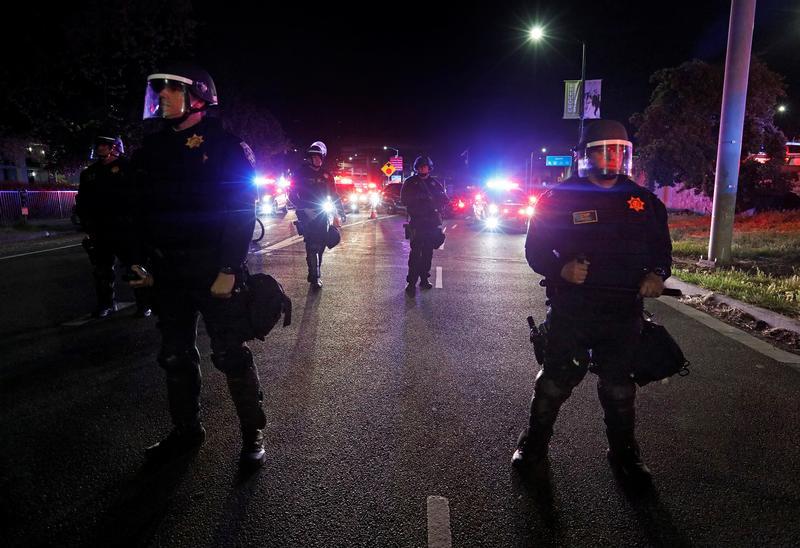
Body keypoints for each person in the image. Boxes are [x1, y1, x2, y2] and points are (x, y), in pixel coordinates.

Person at [512, 119, 672, 485]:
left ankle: (624, 455)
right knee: (554, 382)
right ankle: (533, 445)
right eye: (603, 149)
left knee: (619, 388)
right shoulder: (558, 197)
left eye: (619, 150)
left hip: (623, 311)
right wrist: (560, 269)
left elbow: (662, 250)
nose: (611, 157)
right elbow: (535, 250)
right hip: (573, 309)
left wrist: (656, 275)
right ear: (585, 154)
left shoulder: (644, 201)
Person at [129, 63, 268, 468]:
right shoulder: (152, 148)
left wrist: (229, 267)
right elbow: (138, 211)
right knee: (174, 356)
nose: (162, 97)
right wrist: (140, 261)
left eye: (172, 89)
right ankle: (186, 431)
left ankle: (252, 433)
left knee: (229, 353)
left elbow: (242, 209)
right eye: (160, 90)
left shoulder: (224, 145)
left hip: (213, 269)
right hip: (168, 271)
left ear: (199, 96)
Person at [76, 133, 151, 318]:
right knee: (101, 271)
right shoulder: (89, 174)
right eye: (99, 144)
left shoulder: (128, 168)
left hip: (126, 229)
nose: (100, 148)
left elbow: (140, 197)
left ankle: (143, 304)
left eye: (104, 144)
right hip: (101, 230)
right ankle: (106, 304)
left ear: (114, 147)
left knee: (134, 268)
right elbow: (83, 202)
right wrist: (88, 226)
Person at [288, 141, 344, 290]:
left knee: (324, 242)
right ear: (310, 158)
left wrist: (341, 211)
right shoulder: (300, 173)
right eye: (314, 157)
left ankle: (315, 270)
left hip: (323, 212)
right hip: (306, 212)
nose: (317, 159)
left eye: (319, 157)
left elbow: (334, 194)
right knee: (312, 245)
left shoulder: (327, 175)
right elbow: (292, 194)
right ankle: (315, 277)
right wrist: (302, 207)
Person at [400, 155, 447, 294]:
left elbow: (444, 199)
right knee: (415, 255)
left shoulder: (434, 183)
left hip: (431, 224)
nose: (422, 168)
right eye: (420, 166)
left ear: (429, 167)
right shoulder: (410, 182)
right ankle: (411, 284)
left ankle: (424, 280)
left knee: (427, 254)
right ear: (416, 168)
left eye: (425, 166)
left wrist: (438, 206)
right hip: (417, 223)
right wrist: (418, 200)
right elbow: (404, 200)